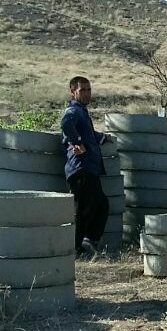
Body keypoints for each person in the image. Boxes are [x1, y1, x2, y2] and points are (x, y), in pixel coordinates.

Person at [61, 76, 108, 256]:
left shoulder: (82, 112)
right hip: (81, 167)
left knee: (95, 205)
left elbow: (88, 134)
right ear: (73, 92)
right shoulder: (74, 110)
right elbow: (66, 124)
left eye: (89, 90)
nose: (88, 93)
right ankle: (81, 245)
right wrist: (78, 142)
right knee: (88, 208)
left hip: (88, 168)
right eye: (83, 90)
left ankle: (84, 243)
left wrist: (103, 138)